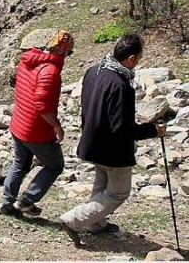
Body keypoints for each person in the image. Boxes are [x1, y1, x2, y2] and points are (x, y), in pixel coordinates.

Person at [59, 33, 166, 245]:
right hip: (112, 150)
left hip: (92, 141)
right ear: (132, 58)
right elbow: (122, 128)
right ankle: (73, 219)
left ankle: (95, 223)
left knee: (101, 184)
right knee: (118, 193)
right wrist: (153, 131)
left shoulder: (93, 71)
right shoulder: (121, 85)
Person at [0, 29, 74, 217]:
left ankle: (7, 204)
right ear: (61, 50)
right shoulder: (50, 71)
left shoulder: (29, 59)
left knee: (19, 164)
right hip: (36, 130)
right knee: (55, 165)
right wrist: (56, 125)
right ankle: (27, 200)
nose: (68, 55)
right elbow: (42, 105)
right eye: (68, 51)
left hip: (18, 123)